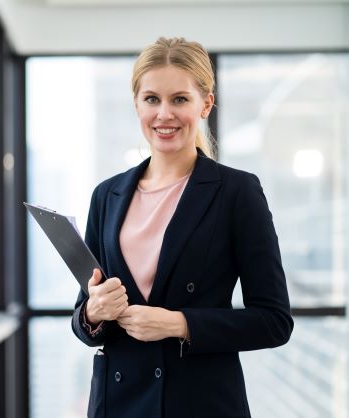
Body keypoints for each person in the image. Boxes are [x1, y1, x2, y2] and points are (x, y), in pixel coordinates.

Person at [71, 37, 293, 418]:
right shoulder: (106, 195)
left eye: (180, 99)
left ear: (205, 104)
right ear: (137, 104)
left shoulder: (236, 192)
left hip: (200, 401)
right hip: (118, 403)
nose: (164, 114)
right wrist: (93, 312)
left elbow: (274, 322)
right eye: (152, 99)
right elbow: (83, 321)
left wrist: (178, 324)